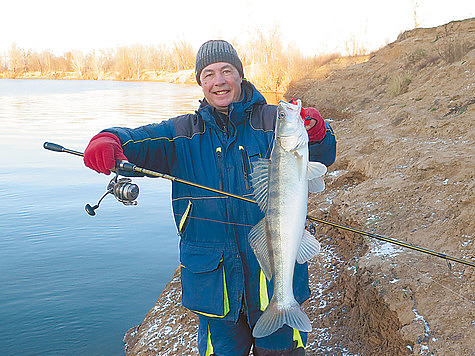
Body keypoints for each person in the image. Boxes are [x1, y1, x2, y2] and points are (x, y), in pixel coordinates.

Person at [83, 40, 336, 355]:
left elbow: (324, 157)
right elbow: (136, 142)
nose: (219, 81)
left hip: (270, 278)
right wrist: (108, 138)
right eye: (209, 74)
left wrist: (318, 133)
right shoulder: (181, 133)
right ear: (200, 82)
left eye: (226, 71)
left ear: (240, 75)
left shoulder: (274, 121)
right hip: (214, 287)